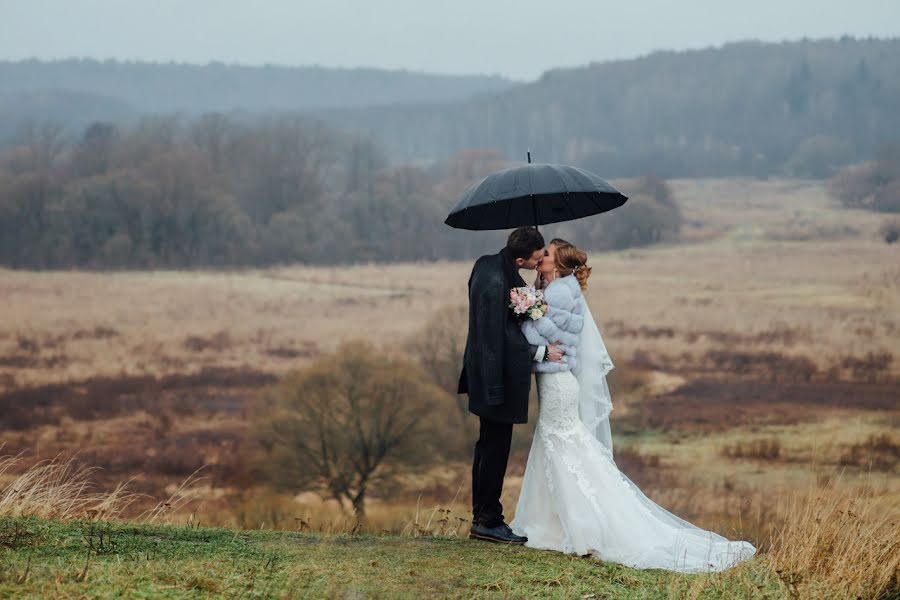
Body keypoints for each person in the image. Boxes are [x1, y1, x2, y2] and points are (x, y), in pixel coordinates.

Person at [510, 238, 757, 572]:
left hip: (557, 381)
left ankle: (580, 529)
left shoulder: (558, 292)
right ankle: (556, 523)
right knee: (559, 447)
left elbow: (547, 336)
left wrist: (527, 313)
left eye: (547, 255)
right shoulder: (558, 288)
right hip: (555, 380)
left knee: (561, 447)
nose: (541, 258)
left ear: (560, 263)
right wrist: (535, 298)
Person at [458, 227, 564, 544]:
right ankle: (489, 521)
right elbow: (497, 340)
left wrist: (528, 298)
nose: (541, 259)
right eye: (537, 257)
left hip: (483, 374)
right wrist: (541, 351)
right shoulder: (496, 283)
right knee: (494, 450)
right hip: (495, 381)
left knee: (487, 446)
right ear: (521, 257)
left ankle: (484, 518)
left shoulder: (489, 265)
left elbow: (508, 314)